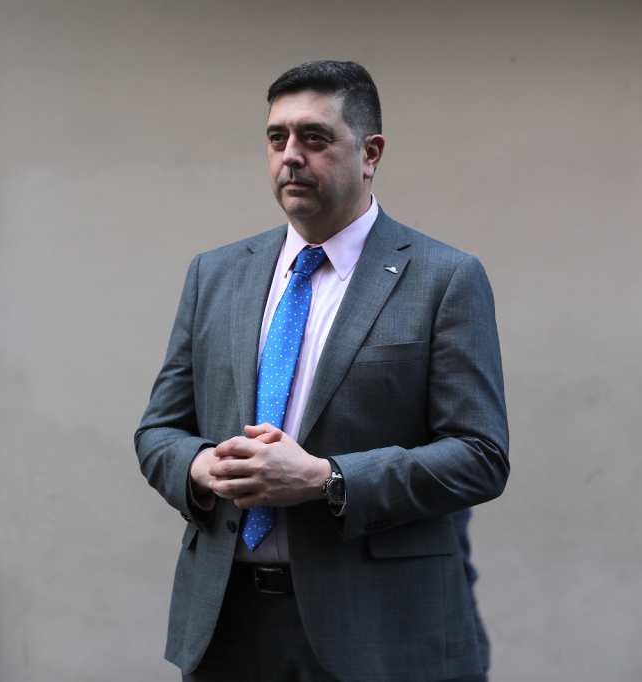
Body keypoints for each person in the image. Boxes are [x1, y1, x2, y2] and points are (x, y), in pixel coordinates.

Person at [135, 60, 509, 682]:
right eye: (276, 137)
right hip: (227, 627)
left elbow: (480, 455)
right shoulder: (215, 275)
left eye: (314, 137)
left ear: (371, 153)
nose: (290, 155)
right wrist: (200, 467)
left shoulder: (444, 279)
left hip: (378, 630)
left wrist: (326, 478)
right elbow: (158, 432)